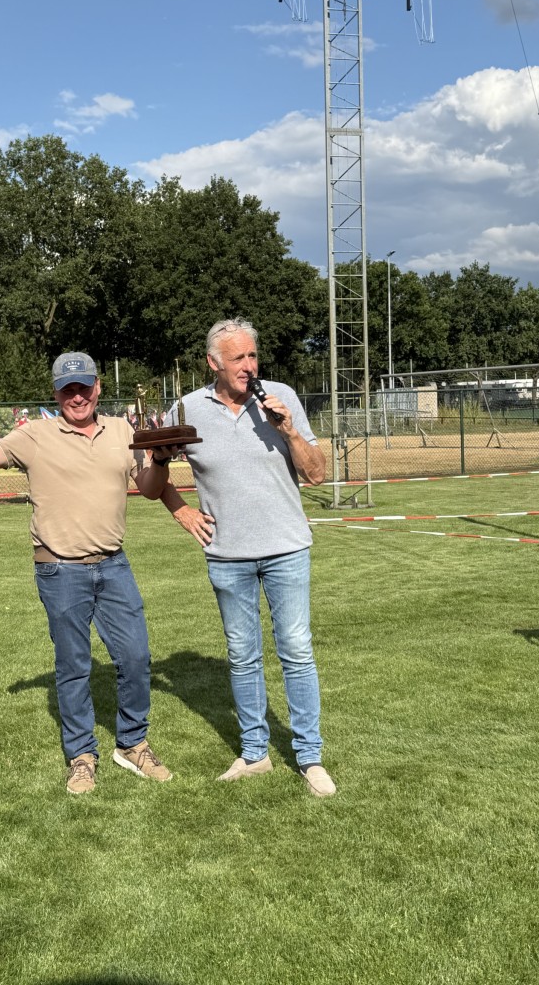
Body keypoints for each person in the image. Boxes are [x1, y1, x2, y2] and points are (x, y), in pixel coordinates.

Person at [0, 352, 176, 795]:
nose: (77, 396)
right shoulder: (35, 434)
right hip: (59, 570)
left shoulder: (122, 430)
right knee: (74, 666)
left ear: (97, 387)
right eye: (68, 389)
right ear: (56, 393)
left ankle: (133, 744)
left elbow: (151, 490)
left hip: (114, 564)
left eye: (84, 387)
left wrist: (159, 460)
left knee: (136, 658)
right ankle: (81, 756)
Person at [160, 318, 336, 797]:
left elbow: (318, 475)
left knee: (296, 650)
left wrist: (290, 430)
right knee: (242, 655)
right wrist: (181, 512)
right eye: (238, 358)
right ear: (213, 364)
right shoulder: (187, 408)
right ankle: (255, 754)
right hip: (227, 555)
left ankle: (310, 757)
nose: (249, 366)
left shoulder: (280, 397)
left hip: (287, 548)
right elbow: (149, 474)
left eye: (252, 356)